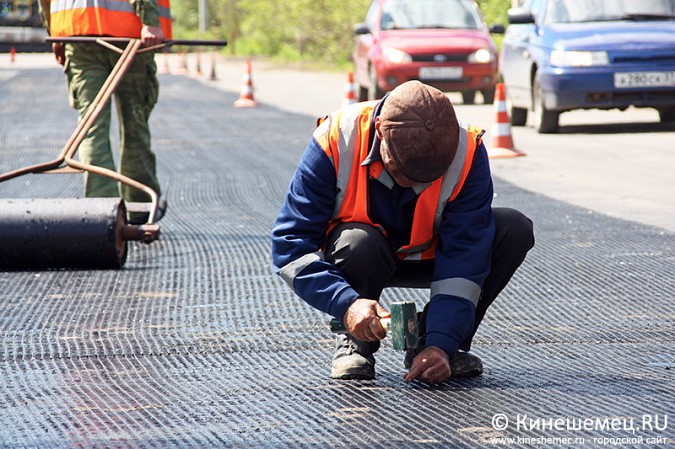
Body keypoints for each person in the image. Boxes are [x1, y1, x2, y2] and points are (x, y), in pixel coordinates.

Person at [272, 80, 534, 384]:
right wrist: (346, 304)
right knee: (357, 241)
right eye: (400, 171)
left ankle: (430, 341)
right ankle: (355, 342)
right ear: (380, 129)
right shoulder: (336, 139)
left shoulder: (466, 151)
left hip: (434, 256)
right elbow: (291, 246)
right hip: (362, 256)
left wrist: (441, 343)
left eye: (427, 178)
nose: (413, 184)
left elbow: (466, 257)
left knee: (513, 229)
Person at [38, 0, 172, 224]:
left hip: (78, 32)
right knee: (134, 122)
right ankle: (139, 206)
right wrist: (150, 22)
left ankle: (101, 210)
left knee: (91, 126)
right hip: (131, 34)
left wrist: (55, 30)